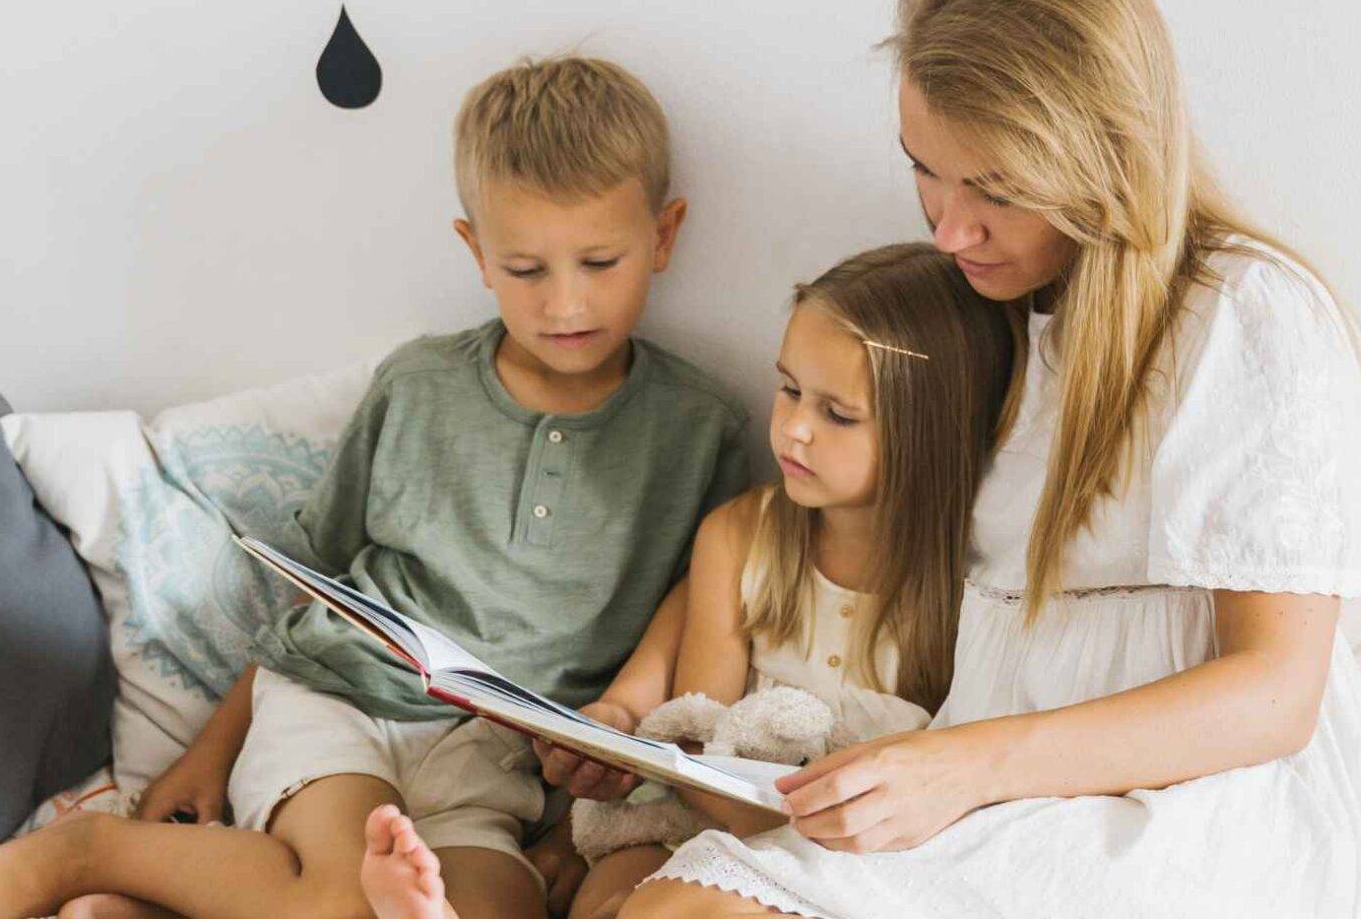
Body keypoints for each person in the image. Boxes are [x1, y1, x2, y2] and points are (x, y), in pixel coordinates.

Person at [624, 0, 1361, 916]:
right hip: (991, 783)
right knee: (673, 902)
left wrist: (961, 766)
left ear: (1108, 155)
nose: (952, 231)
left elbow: (1274, 695)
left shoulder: (1247, 316)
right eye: (924, 168)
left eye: (997, 188)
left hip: (1193, 811)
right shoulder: (1013, 316)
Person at [0, 53, 751, 919]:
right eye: (526, 270)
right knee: (340, 900)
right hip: (340, 703)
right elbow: (314, 588)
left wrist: (568, 833)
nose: (564, 304)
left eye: (599, 262)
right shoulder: (416, 388)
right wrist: (212, 750)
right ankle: (92, 850)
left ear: (663, 237)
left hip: (493, 765)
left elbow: (694, 636)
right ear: (475, 252)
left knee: (496, 908)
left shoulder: (703, 430)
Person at [361, 243, 1019, 919]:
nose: (792, 429)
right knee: (616, 897)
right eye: (789, 389)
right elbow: (701, 752)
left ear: (931, 432)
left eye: (837, 414)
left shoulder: (974, 584)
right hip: (704, 816)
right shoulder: (739, 538)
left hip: (854, 850)